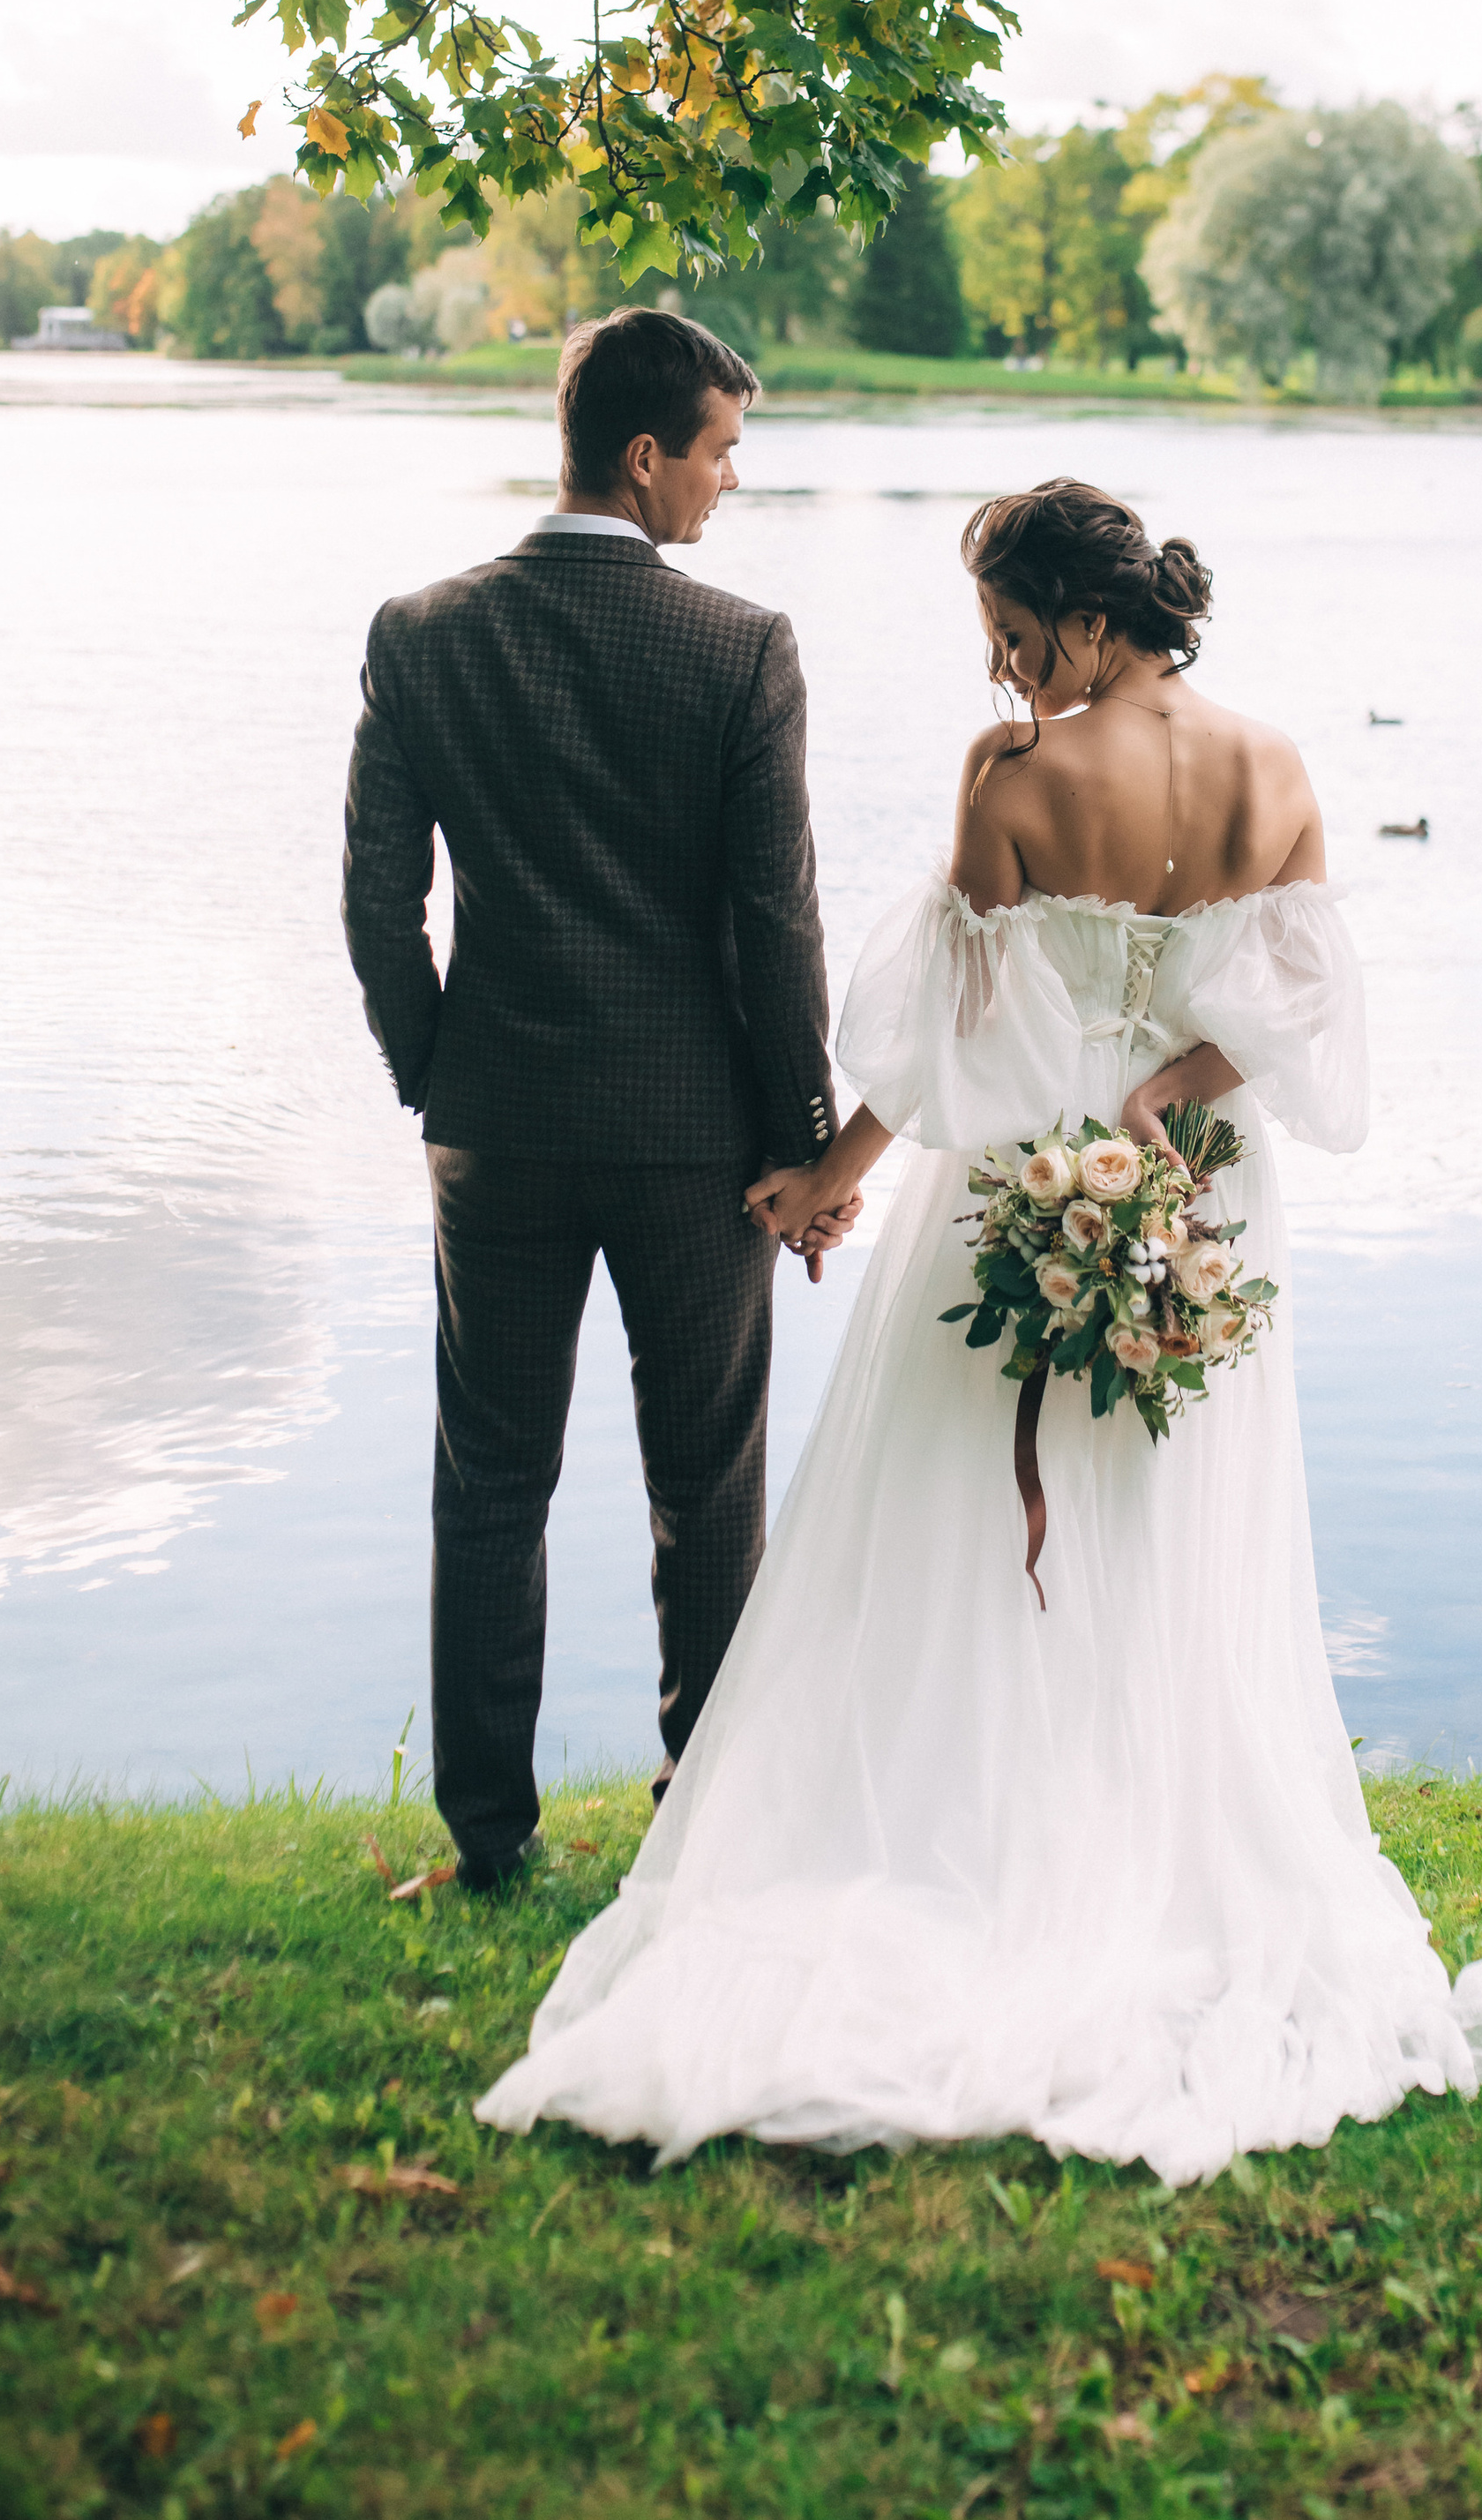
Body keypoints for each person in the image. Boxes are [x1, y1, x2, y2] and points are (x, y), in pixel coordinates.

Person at [475, 476, 1482, 2179]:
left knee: (964, 1528)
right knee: (1174, 1520)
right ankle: (1149, 1844)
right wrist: (1167, 1095)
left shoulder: (1014, 779)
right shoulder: (1277, 768)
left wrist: (833, 1175)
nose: (1006, 675)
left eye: (1020, 639)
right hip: (1202, 1184)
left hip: (1032, 1169)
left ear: (1093, 622)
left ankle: (984, 1841)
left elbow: (958, 1038)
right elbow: (1294, 1015)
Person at [341, 305, 854, 1893]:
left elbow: (376, 906)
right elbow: (775, 925)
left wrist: (439, 1072)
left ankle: (488, 1839)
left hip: (494, 1124)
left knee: (490, 1482)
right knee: (708, 1488)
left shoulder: (420, 633)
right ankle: (699, 1829)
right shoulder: (741, 647)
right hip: (695, 1143)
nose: (728, 482)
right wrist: (810, 1148)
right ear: (644, 457)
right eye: (719, 453)